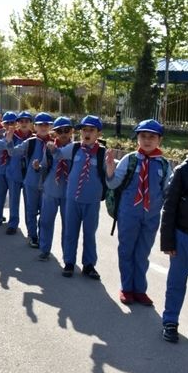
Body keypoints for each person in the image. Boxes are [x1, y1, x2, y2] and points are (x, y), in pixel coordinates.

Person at [107, 119, 171, 306]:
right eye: (143, 136)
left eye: (152, 136)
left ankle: (140, 290)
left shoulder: (164, 165)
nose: (147, 140)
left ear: (160, 139)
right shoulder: (130, 160)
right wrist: (110, 170)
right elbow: (112, 184)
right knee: (126, 251)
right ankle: (127, 288)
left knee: (142, 253)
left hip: (151, 217)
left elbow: (167, 192)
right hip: (129, 214)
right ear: (137, 138)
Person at [47, 115, 107, 280]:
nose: (87, 133)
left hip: (92, 201)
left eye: (91, 130)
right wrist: (53, 149)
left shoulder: (102, 153)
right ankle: (69, 263)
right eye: (84, 130)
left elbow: (109, 175)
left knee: (89, 233)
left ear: (98, 134)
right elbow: (59, 155)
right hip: (73, 199)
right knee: (70, 232)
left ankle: (89, 265)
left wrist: (110, 168)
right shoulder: (74, 148)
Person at [161, 134, 188, 343]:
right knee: (176, 282)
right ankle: (170, 321)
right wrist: (168, 242)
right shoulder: (182, 171)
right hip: (182, 237)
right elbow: (169, 208)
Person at [7, 112, 53, 246]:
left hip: (48, 184)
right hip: (31, 181)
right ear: (35, 127)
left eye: (46, 125)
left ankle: (43, 236)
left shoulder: (54, 143)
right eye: (40, 125)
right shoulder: (30, 142)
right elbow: (13, 152)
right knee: (31, 210)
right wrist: (9, 141)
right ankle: (33, 235)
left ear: (50, 126)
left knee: (44, 212)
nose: (43, 127)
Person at [37, 117, 73, 261]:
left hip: (68, 192)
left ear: (71, 132)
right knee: (46, 221)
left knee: (68, 225)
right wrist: (37, 167)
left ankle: (68, 255)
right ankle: (45, 249)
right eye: (59, 131)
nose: (63, 133)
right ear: (55, 133)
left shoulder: (76, 148)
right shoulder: (49, 147)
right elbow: (44, 166)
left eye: (66, 130)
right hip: (51, 189)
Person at [3, 111, 34, 235]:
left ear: (31, 123)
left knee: (29, 203)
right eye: (21, 121)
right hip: (14, 172)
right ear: (18, 123)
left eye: (27, 121)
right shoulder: (12, 135)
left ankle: (30, 228)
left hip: (29, 174)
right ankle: (13, 224)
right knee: (14, 200)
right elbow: (8, 151)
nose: (24, 123)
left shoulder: (34, 137)